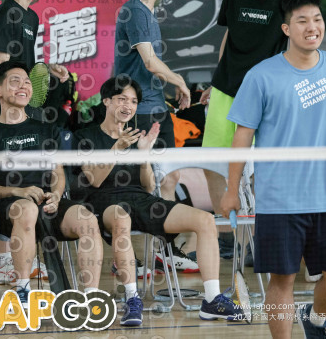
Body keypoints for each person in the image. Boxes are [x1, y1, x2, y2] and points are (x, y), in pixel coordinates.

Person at [221, 0, 326, 339]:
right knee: (283, 279)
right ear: (286, 29)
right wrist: (232, 189)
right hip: (280, 197)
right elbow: (242, 136)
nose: (312, 27)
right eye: (302, 20)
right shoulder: (262, 75)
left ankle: (315, 318)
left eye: (317, 19)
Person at [74, 75, 242, 327]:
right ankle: (132, 298)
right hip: (104, 201)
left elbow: (148, 186)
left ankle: (212, 299)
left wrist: (144, 155)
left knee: (205, 220)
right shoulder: (85, 137)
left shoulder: (135, 136)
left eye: (133, 101)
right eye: (122, 99)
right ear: (106, 101)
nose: (128, 106)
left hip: (140, 199)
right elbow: (95, 180)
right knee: (121, 217)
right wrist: (117, 148)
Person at [0, 60, 103, 306]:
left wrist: (56, 194)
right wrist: (17, 191)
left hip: (46, 204)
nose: (23, 86)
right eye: (15, 81)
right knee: (27, 209)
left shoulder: (47, 130)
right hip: (8, 207)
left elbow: (57, 172)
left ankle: (91, 298)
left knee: (87, 220)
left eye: (27, 82)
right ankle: (23, 291)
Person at [200, 0, 289, 257]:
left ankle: (257, 241)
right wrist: (216, 80)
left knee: (255, 170)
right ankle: (227, 237)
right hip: (226, 88)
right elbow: (229, 36)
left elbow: (292, 47)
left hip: (264, 95)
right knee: (212, 163)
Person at [113, 0, 198, 274]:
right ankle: (135, 257)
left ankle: (163, 251)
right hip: (140, 111)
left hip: (153, 107)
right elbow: (149, 62)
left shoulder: (145, 12)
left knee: (168, 177)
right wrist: (180, 81)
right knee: (145, 183)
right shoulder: (136, 11)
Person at [0, 0, 69, 283]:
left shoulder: (31, 16)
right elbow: (2, 65)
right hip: (6, 113)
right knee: (6, 182)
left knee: (25, 179)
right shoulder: (8, 13)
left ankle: (15, 260)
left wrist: (47, 71)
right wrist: (11, 103)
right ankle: (3, 263)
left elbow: (24, 65)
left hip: (25, 108)